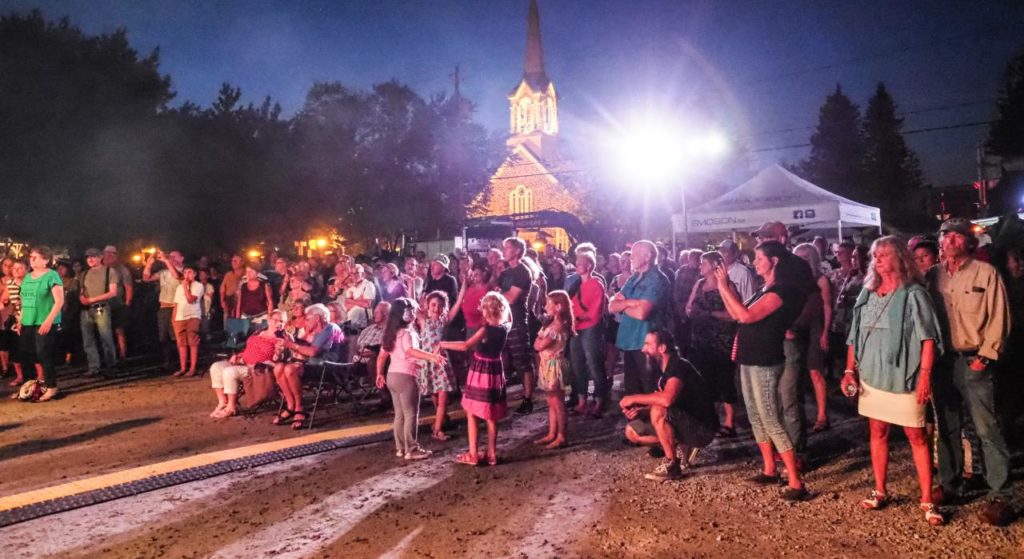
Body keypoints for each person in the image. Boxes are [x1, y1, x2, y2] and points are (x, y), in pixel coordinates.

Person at [843, 236, 944, 525]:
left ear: (900, 258)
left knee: (917, 436)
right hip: (873, 377)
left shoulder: (914, 294)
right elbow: (855, 336)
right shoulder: (868, 293)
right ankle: (880, 489)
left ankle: (926, 499)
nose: (879, 260)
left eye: (885, 255)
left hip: (905, 377)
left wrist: (925, 376)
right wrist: (850, 370)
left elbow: (928, 339)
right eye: (876, 255)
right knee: (878, 432)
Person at [929, 218, 1013, 526]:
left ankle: (1001, 495)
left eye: (955, 236)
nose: (948, 240)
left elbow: (999, 317)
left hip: (974, 359)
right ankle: (950, 484)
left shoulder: (986, 273)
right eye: (944, 235)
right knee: (947, 427)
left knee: (986, 428)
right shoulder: (932, 275)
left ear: (969, 242)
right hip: (943, 362)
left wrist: (986, 357)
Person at [715, 240, 811, 501]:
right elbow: (737, 314)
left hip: (766, 359)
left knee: (770, 417)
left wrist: (724, 287)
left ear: (774, 261)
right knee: (756, 416)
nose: (754, 262)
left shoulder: (782, 291)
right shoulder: (764, 288)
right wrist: (725, 287)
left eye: (759, 258)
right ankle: (770, 469)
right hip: (749, 357)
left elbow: (746, 316)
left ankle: (795, 480)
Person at [621, 329, 720, 481]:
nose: (643, 349)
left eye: (647, 344)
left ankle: (672, 465)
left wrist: (633, 398)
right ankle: (680, 446)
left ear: (662, 348)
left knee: (659, 409)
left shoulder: (679, 366)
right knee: (631, 431)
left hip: (702, 429)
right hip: (684, 419)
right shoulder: (661, 370)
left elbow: (667, 400)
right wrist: (641, 411)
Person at [440, 292, 512, 467]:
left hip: (481, 370)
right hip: (495, 369)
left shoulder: (486, 330)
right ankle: (492, 454)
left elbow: (465, 346)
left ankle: (473, 453)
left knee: (472, 410)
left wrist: (443, 344)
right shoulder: (505, 327)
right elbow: (510, 316)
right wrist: (500, 300)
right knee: (491, 414)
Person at [376, 298, 445, 460]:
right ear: (405, 314)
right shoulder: (407, 333)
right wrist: (432, 357)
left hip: (392, 375)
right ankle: (411, 449)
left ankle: (401, 448)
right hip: (406, 377)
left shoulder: (391, 334)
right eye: (412, 310)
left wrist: (379, 374)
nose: (414, 313)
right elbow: (410, 352)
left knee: (399, 414)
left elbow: (381, 357)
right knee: (410, 413)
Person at [685, 251, 738, 437]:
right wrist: (691, 312)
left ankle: (730, 422)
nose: (700, 267)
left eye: (704, 263)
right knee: (705, 380)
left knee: (725, 380)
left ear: (716, 265)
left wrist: (709, 314)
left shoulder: (727, 286)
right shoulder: (699, 285)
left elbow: (734, 315)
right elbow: (689, 307)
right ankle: (711, 420)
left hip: (722, 341)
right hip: (701, 340)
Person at [610, 240, 671, 395]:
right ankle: (637, 419)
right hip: (630, 341)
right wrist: (631, 303)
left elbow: (642, 313)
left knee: (650, 388)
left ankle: (655, 419)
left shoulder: (657, 279)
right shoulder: (634, 277)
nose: (631, 258)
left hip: (648, 343)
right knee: (632, 389)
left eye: (635, 254)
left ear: (647, 256)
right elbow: (611, 306)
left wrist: (624, 305)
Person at [273, 304, 343, 429]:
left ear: (317, 318)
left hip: (326, 368)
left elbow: (313, 352)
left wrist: (292, 345)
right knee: (278, 368)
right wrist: (289, 343)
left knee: (290, 369)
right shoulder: (316, 332)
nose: (305, 321)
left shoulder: (330, 328)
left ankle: (299, 408)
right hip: (313, 365)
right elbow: (303, 349)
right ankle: (290, 406)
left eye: (308, 318)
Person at [209, 310, 285, 418]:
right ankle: (223, 402)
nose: (279, 323)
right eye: (276, 320)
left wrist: (278, 353)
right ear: (269, 321)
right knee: (216, 367)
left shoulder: (282, 339)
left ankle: (231, 407)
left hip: (257, 368)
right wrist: (238, 356)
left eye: (282, 321)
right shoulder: (259, 332)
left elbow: (278, 359)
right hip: (243, 361)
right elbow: (248, 349)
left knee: (229, 372)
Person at [792, 243, 833, 433]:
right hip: (798, 328)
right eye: (797, 257)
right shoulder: (793, 280)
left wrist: (825, 331)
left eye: (804, 257)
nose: (800, 260)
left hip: (816, 326)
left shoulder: (820, 279)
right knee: (797, 374)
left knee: (816, 371)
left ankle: (822, 416)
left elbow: (827, 306)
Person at [496, 238, 538, 414]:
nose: (504, 251)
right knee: (502, 359)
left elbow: (511, 297)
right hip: (502, 320)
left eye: (507, 248)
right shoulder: (505, 273)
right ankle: (501, 397)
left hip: (517, 320)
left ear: (517, 251)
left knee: (522, 361)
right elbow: (497, 292)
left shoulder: (522, 272)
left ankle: (528, 398)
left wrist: (501, 294)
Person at [18, 247, 64, 402]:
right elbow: (25, 300)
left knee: (43, 353)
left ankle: (51, 387)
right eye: (31, 257)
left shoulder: (52, 275)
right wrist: (20, 319)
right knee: (27, 354)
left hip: (44, 321)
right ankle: (30, 387)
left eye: (36, 257)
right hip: (28, 321)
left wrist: (49, 321)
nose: (32, 259)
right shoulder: (28, 277)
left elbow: (59, 301)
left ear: (45, 260)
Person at [417, 290, 464, 441]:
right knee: (435, 394)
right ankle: (440, 420)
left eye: (440, 305)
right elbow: (412, 303)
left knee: (443, 395)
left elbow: (458, 303)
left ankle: (437, 430)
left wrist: (464, 285)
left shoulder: (444, 321)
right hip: (428, 362)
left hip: (441, 362)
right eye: (433, 304)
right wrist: (411, 284)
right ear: (428, 306)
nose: (436, 308)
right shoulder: (423, 320)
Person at [569, 250, 608, 416]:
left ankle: (599, 400)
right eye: (576, 263)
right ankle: (582, 400)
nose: (576, 266)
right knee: (577, 364)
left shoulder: (596, 284)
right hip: (576, 327)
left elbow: (595, 312)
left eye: (580, 263)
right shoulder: (576, 285)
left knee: (594, 363)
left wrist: (577, 317)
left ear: (589, 265)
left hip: (590, 327)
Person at [533, 290, 574, 449]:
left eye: (548, 304)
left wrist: (540, 340)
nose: (545, 306)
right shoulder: (551, 324)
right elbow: (538, 343)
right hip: (547, 363)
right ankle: (552, 433)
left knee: (558, 402)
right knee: (551, 401)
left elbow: (539, 345)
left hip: (554, 365)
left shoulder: (557, 327)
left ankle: (562, 435)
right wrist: (539, 341)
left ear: (558, 306)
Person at [79, 248, 120, 378]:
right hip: (86, 310)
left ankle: (111, 367)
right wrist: (82, 299)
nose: (90, 259)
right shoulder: (84, 273)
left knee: (106, 338)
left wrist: (92, 299)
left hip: (101, 307)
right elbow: (81, 291)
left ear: (100, 257)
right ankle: (94, 367)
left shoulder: (109, 271)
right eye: (88, 257)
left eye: (94, 257)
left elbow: (113, 292)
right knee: (88, 341)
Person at [142, 249, 183, 369]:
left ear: (182, 258)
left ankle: (181, 362)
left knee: (177, 336)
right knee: (164, 337)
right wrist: (149, 264)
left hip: (177, 307)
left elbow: (177, 276)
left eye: (175, 256)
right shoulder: (163, 272)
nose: (172, 258)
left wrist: (166, 261)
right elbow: (146, 278)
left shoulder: (186, 270)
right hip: (164, 307)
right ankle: (168, 361)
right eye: (171, 256)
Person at [171, 266, 204, 377]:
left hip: (193, 316)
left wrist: (185, 286)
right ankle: (183, 368)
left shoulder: (198, 286)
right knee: (181, 344)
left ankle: (192, 368)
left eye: (189, 272)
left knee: (192, 342)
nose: (187, 274)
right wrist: (174, 319)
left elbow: (190, 300)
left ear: (195, 274)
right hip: (180, 317)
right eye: (185, 272)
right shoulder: (179, 288)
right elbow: (176, 304)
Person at [102, 245, 133, 361]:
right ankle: (108, 356)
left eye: (113, 253)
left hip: (118, 304)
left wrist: (127, 303)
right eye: (107, 253)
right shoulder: (99, 268)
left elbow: (128, 287)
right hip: (102, 305)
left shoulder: (122, 269)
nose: (109, 256)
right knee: (104, 331)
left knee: (119, 330)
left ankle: (122, 354)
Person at [1, 259, 25, 386]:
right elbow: (4, 299)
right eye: (13, 268)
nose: (14, 270)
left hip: (29, 317)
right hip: (14, 318)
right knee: (15, 348)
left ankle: (39, 377)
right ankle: (20, 376)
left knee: (30, 347)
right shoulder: (10, 284)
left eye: (18, 268)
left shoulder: (31, 282)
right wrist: (6, 302)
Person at [343, 264, 377, 330]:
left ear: (363, 274)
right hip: (350, 323)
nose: (354, 276)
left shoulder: (368, 285)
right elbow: (347, 305)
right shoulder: (351, 288)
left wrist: (351, 301)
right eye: (352, 273)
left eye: (356, 273)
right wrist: (359, 301)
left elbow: (367, 304)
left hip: (363, 324)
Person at [220, 255, 245, 320]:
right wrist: (222, 300)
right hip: (229, 303)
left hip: (243, 303)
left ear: (242, 262)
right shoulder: (228, 275)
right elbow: (222, 288)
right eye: (232, 261)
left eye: (235, 261)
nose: (233, 262)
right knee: (228, 324)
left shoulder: (246, 274)